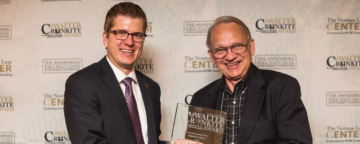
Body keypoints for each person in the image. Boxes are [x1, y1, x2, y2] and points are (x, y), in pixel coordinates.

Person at [189, 16, 312, 144]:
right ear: (212, 56)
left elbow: (298, 142)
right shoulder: (200, 98)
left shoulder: (282, 87)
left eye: (237, 46)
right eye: (220, 50)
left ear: (251, 46)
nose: (230, 56)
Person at [64, 2, 161, 144]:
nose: (129, 42)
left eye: (137, 35)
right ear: (105, 38)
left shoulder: (151, 88)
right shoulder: (81, 84)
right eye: (121, 33)